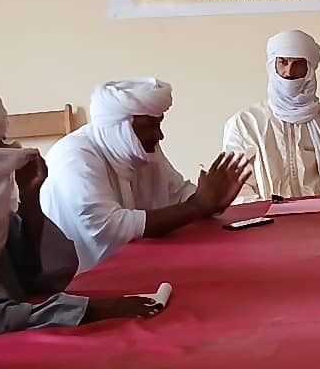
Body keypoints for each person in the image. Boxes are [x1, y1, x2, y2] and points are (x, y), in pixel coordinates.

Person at [0, 85, 161, 352]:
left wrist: (30, 201)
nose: (10, 153)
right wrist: (93, 309)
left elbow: (33, 280)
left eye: (4, 141)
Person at [42, 79, 249, 272]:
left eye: (159, 124)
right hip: (76, 282)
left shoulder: (140, 150)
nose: (160, 135)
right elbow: (107, 227)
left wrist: (212, 201)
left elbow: (177, 193)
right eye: (149, 127)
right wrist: (197, 205)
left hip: (135, 268)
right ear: (120, 128)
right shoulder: (74, 156)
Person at [223, 30, 320, 200]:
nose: (289, 72)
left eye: (297, 64)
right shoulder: (245, 123)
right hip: (265, 214)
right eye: (283, 62)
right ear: (272, 65)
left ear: (309, 69)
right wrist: (265, 211)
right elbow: (236, 185)